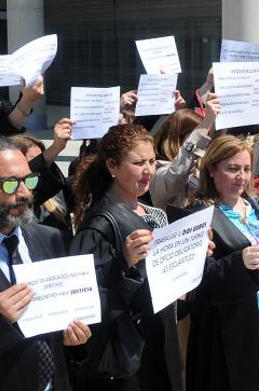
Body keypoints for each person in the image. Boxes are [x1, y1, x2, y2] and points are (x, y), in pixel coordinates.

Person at [70, 124, 188, 390]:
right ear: (113, 166)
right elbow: (86, 301)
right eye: (138, 163)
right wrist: (124, 262)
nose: (148, 170)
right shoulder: (99, 225)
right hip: (125, 354)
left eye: (151, 161)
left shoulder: (149, 212)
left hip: (156, 339)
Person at [186, 135, 259, 391]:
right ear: (212, 169)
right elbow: (196, 282)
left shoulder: (258, 204)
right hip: (230, 327)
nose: (242, 177)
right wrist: (239, 262)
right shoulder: (199, 215)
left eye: (246, 169)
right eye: (232, 169)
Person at [0, 138, 92, 391]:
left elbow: (63, 329)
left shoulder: (51, 238)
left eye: (28, 180)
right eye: (10, 184)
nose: (25, 193)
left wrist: (76, 339)